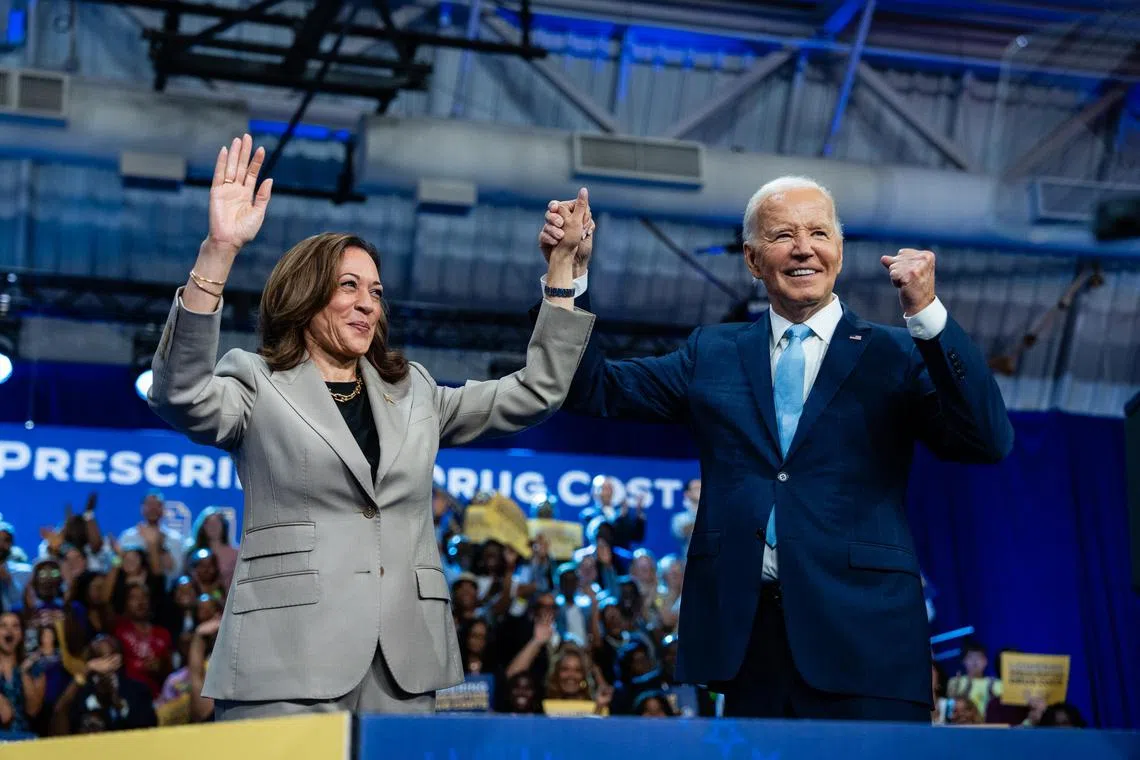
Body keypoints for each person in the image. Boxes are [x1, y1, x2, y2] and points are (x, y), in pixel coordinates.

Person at [147, 134, 595, 720]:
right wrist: (219, 251)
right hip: (287, 660)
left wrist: (561, 279)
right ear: (305, 296)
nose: (367, 304)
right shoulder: (255, 384)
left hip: (405, 668)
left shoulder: (414, 391)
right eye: (349, 287)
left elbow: (536, 391)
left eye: (377, 292)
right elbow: (178, 394)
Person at [537, 176, 1014, 721]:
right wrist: (565, 275)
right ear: (752, 259)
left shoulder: (896, 354)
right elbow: (591, 388)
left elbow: (988, 440)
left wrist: (926, 313)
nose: (804, 247)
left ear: (838, 250)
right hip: (748, 646)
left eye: (818, 233)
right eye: (783, 235)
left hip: (868, 642)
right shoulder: (711, 352)